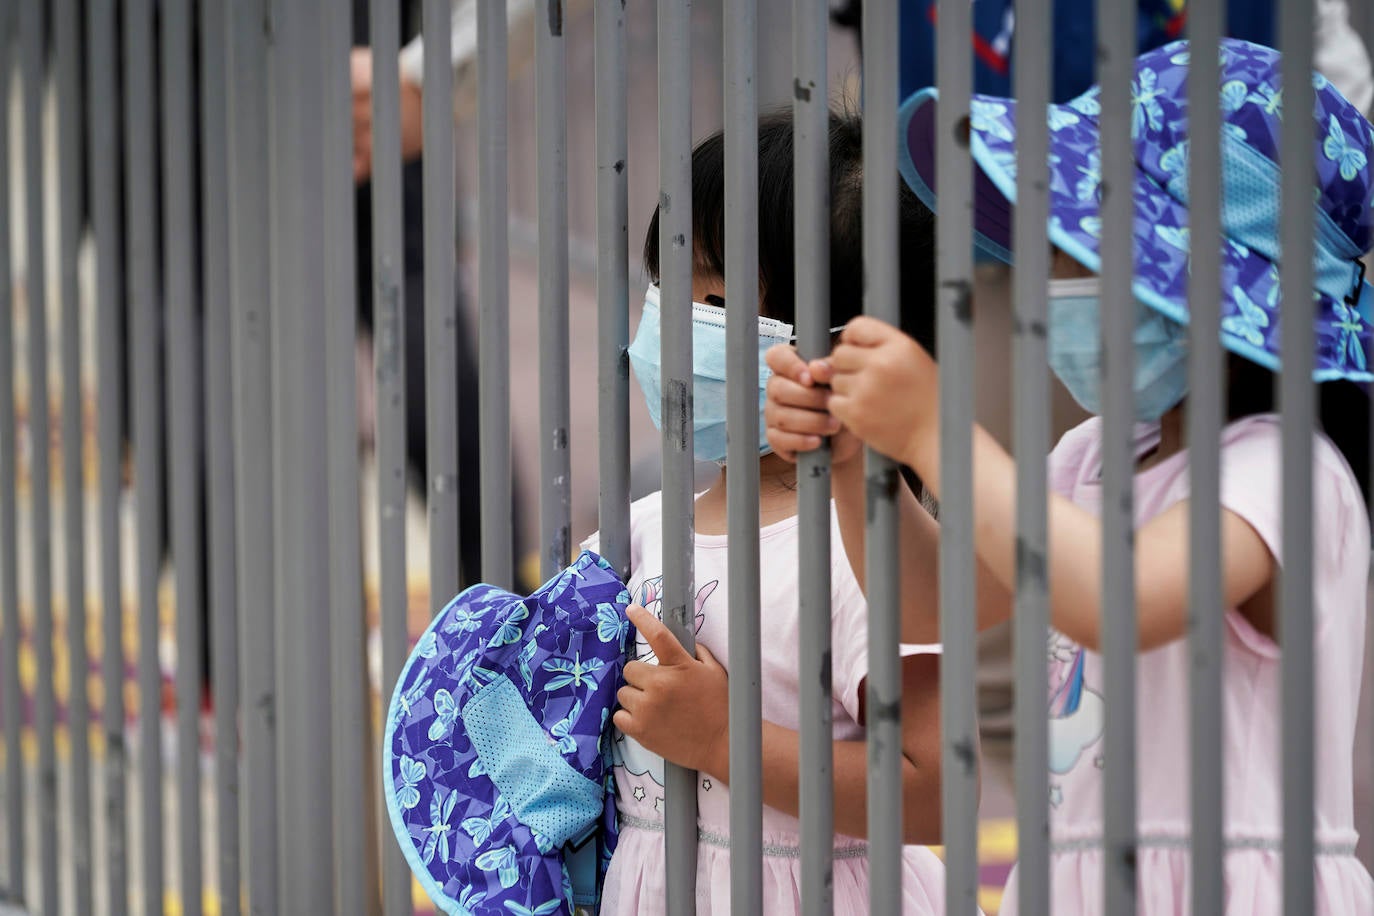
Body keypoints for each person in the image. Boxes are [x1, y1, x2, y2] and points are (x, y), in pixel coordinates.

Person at [767, 38, 1374, 913]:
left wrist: (937, 427)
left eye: (1080, 254)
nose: (1047, 283)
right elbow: (932, 605)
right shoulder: (1097, 455)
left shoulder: (1286, 472)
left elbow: (1118, 601)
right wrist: (864, 459)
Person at [585, 111, 964, 914]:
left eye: (716, 294)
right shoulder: (638, 533)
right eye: (666, 286)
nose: (675, 325)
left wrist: (728, 742)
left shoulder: (864, 554)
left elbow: (935, 787)